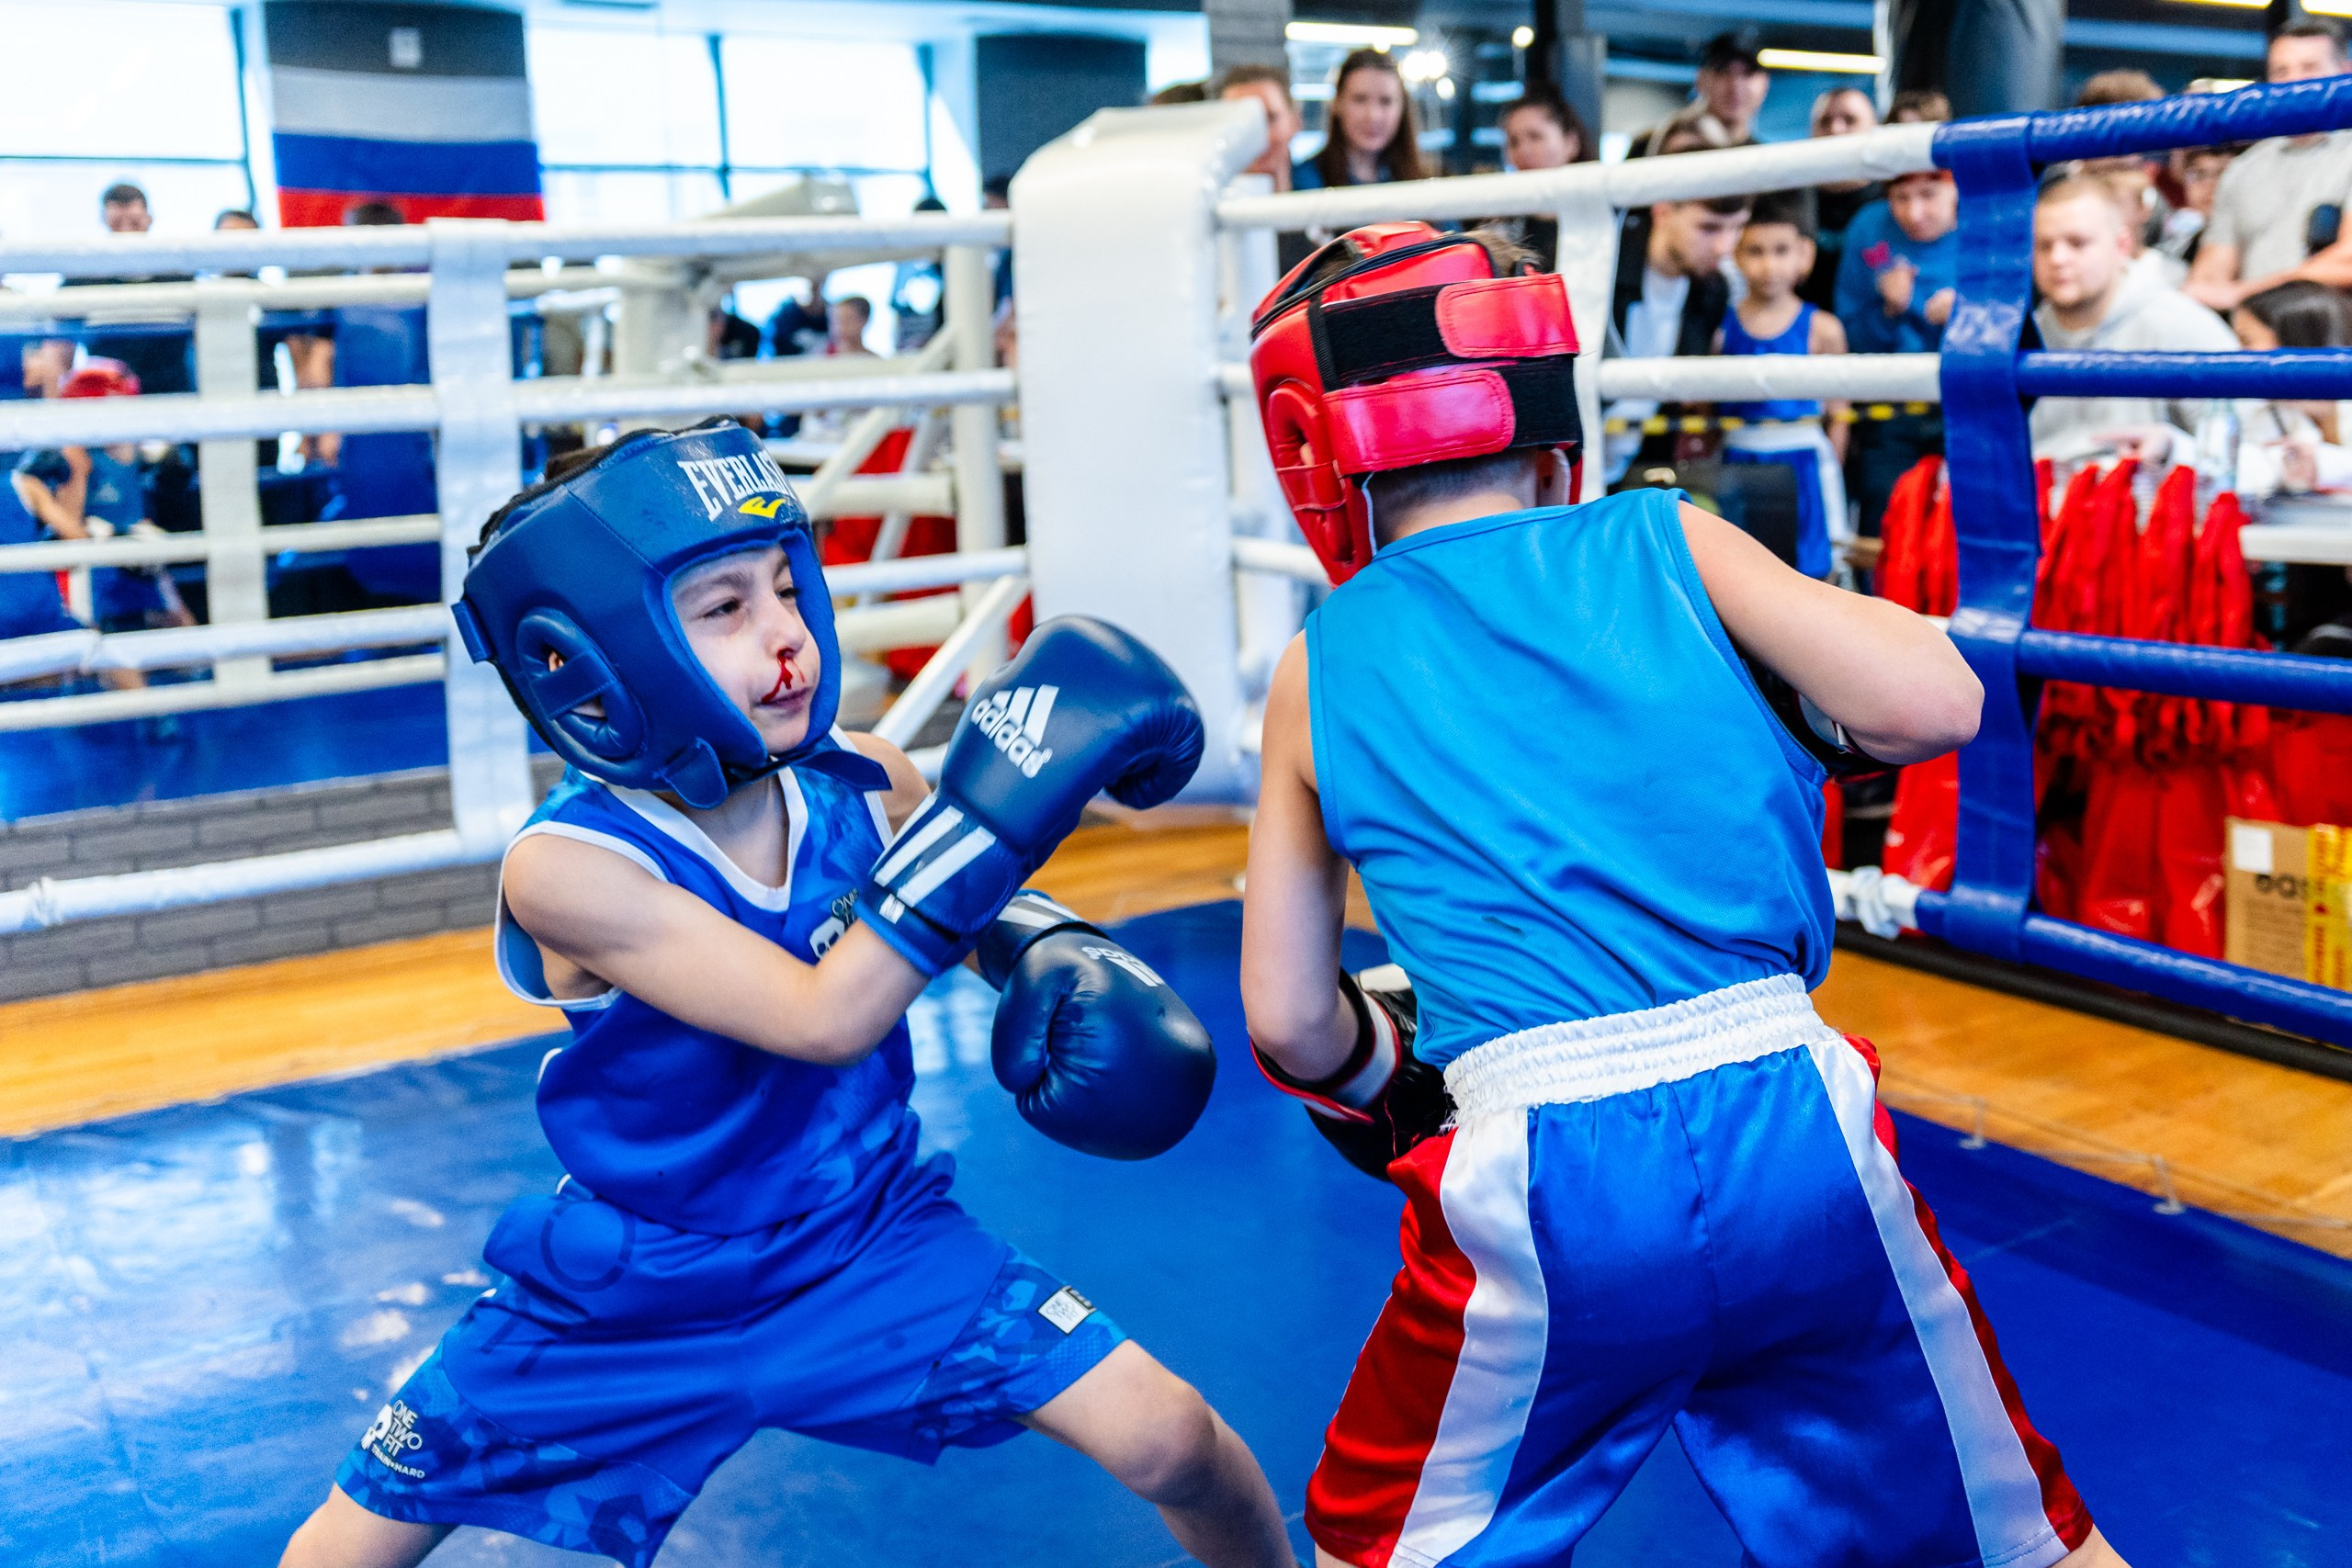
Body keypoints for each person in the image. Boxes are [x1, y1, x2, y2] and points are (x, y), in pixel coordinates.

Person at [1240, 220, 2127, 1568]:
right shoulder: (1669, 537)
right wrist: (1796, 711)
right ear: (1548, 410)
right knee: (2021, 1539)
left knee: (1376, 1544)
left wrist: (1388, 1071)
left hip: (1547, 1174)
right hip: (1801, 1116)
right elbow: (1942, 698)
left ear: (1313, 447)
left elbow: (1293, 1019)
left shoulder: (1321, 659)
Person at [278, 420, 1289, 1568]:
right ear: (600, 654)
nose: (786, 637)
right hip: (631, 1294)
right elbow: (825, 1014)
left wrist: (1044, 945)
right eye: (722, 610)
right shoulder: (568, 870)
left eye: (784, 589)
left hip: (865, 1241)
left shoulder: (865, 780)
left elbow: (960, 915)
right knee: (355, 1545)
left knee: (1173, 1439)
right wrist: (1000, 816)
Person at [2028, 173, 2236, 468]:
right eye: (2044, 246)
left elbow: (2266, 454)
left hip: (2148, 508)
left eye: (2078, 243)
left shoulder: (2181, 324)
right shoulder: (2023, 336)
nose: (2058, 258)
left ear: (2122, 245)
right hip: (2045, 507)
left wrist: (2174, 448)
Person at [1716, 191, 1852, 577]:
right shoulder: (1721, 331)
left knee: (1812, 572)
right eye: (1755, 251)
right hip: (1738, 459)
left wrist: (1830, 475)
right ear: (1737, 255)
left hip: (1804, 463)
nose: (1768, 265)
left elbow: (1839, 415)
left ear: (1803, 254)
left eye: (1781, 250)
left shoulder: (1823, 330)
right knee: (1737, 574)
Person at [11, 362, 193, 637]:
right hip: (88, 556)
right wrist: (77, 472)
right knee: (87, 630)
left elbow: (161, 489)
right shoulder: (66, 453)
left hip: (134, 548)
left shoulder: (142, 447)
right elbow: (67, 531)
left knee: (179, 621)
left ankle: (202, 671)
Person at [2188, 20, 2352, 314]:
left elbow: (2348, 261)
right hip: (2254, 341)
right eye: (2281, 71)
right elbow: (2210, 275)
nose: (2294, 82)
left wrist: (2246, 293)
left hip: (2331, 340)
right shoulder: (2245, 167)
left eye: (2309, 68)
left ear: (2344, 73)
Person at [1836, 165, 1960, 535]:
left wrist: (1970, 320)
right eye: (1901, 198)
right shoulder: (1870, 227)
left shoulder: (1987, 224)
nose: (1914, 212)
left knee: (1961, 520)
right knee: (1885, 515)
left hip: (1964, 403)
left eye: (1928, 195)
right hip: (1889, 403)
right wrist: (1888, 311)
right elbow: (1851, 337)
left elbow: (2022, 323)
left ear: (1956, 189)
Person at [1603, 191, 1752, 483]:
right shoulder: (1603, 266)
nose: (1725, 247)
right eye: (1708, 228)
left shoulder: (1713, 290)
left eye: (1737, 227)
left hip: (1643, 464)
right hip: (1574, 465)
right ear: (1662, 212)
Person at [2230, 280, 2352, 494]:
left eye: (2247, 341)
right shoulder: (2257, 408)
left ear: (2296, 343)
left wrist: (2325, 464)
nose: (2237, 354)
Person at [1484, 92, 1594, 271]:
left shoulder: (1604, 222)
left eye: (1535, 137)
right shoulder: (1500, 229)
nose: (1523, 151)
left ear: (1571, 143)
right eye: (1514, 142)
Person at [1297, 49, 1428, 190]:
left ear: (1403, 108)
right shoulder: (1304, 181)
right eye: (1360, 99)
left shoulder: (1427, 181)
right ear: (1337, 103)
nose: (1373, 116)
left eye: (1386, 101)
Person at [1805, 85, 1883, 309]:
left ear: (1873, 129)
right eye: (1825, 121)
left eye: (1850, 120)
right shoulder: (1792, 199)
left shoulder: (1892, 202)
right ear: (1811, 131)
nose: (1836, 129)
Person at [1633, 30, 1767, 156]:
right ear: (1701, 80)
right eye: (1723, 72)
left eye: (1748, 73)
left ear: (1764, 84)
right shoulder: (1653, 143)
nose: (1735, 86)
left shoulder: (1765, 161)